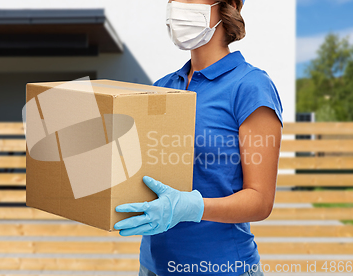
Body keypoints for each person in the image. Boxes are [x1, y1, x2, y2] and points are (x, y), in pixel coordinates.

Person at [114, 0, 284, 275]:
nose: (178, 6)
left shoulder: (250, 86)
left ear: (226, 5)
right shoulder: (163, 87)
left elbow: (260, 201)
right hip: (153, 266)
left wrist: (191, 207)